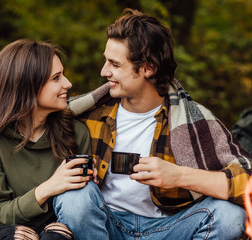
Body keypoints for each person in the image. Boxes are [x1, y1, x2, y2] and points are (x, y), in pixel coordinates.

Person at [54, 9, 252, 240]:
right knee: (73, 198)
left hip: (170, 227)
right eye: (106, 60)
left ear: (148, 68)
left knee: (230, 215)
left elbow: (247, 180)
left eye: (115, 64)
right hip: (105, 225)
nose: (104, 71)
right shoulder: (87, 114)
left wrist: (179, 176)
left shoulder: (193, 121)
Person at [0, 39, 96, 240]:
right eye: (56, 78)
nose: (68, 83)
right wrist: (48, 188)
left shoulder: (76, 132)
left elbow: (80, 208)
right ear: (28, 86)